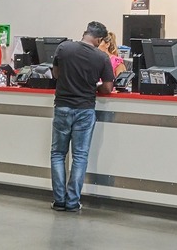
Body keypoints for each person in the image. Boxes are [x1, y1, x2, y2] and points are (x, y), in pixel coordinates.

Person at [50, 21, 114, 212]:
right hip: (85, 110)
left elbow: (55, 74)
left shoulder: (63, 48)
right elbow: (108, 88)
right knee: (80, 156)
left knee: (57, 154)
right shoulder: (102, 57)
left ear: (85, 33)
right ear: (100, 39)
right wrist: (94, 86)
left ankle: (59, 201)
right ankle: (72, 202)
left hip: (62, 106)